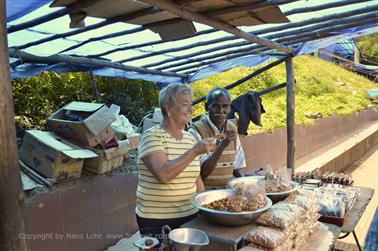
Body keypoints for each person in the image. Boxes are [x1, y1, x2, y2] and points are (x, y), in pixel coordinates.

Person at [135, 83, 215, 242]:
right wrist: (194, 151)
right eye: (185, 104)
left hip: (190, 215)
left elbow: (196, 177)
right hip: (157, 221)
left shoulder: (189, 138)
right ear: (168, 107)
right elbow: (163, 174)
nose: (191, 109)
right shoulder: (152, 136)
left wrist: (205, 207)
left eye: (191, 104)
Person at [189, 87, 254, 189]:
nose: (221, 110)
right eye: (215, 106)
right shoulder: (196, 131)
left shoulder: (232, 129)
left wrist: (245, 184)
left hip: (228, 193)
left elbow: (238, 166)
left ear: (229, 108)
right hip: (204, 194)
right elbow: (202, 173)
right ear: (206, 107)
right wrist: (221, 146)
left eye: (225, 106)